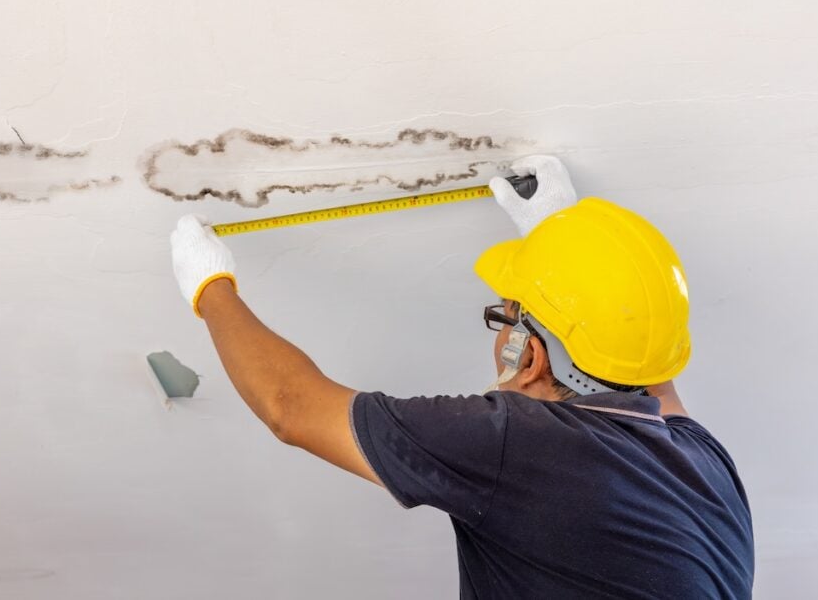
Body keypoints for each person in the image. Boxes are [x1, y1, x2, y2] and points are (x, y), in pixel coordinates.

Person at [169, 155, 755, 599]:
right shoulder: (701, 460)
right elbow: (646, 361)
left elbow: (290, 407)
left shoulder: (517, 443)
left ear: (530, 356)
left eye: (503, 317)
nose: (498, 328)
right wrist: (560, 241)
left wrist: (209, 286)